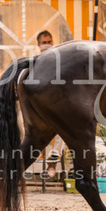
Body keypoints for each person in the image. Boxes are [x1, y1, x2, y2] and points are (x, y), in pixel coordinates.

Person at [36, 31, 64, 178]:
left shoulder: (58, 63)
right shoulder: (35, 63)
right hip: (38, 108)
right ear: (38, 45)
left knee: (63, 127)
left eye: (49, 42)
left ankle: (52, 162)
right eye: (44, 43)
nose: (47, 45)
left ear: (53, 43)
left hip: (55, 106)